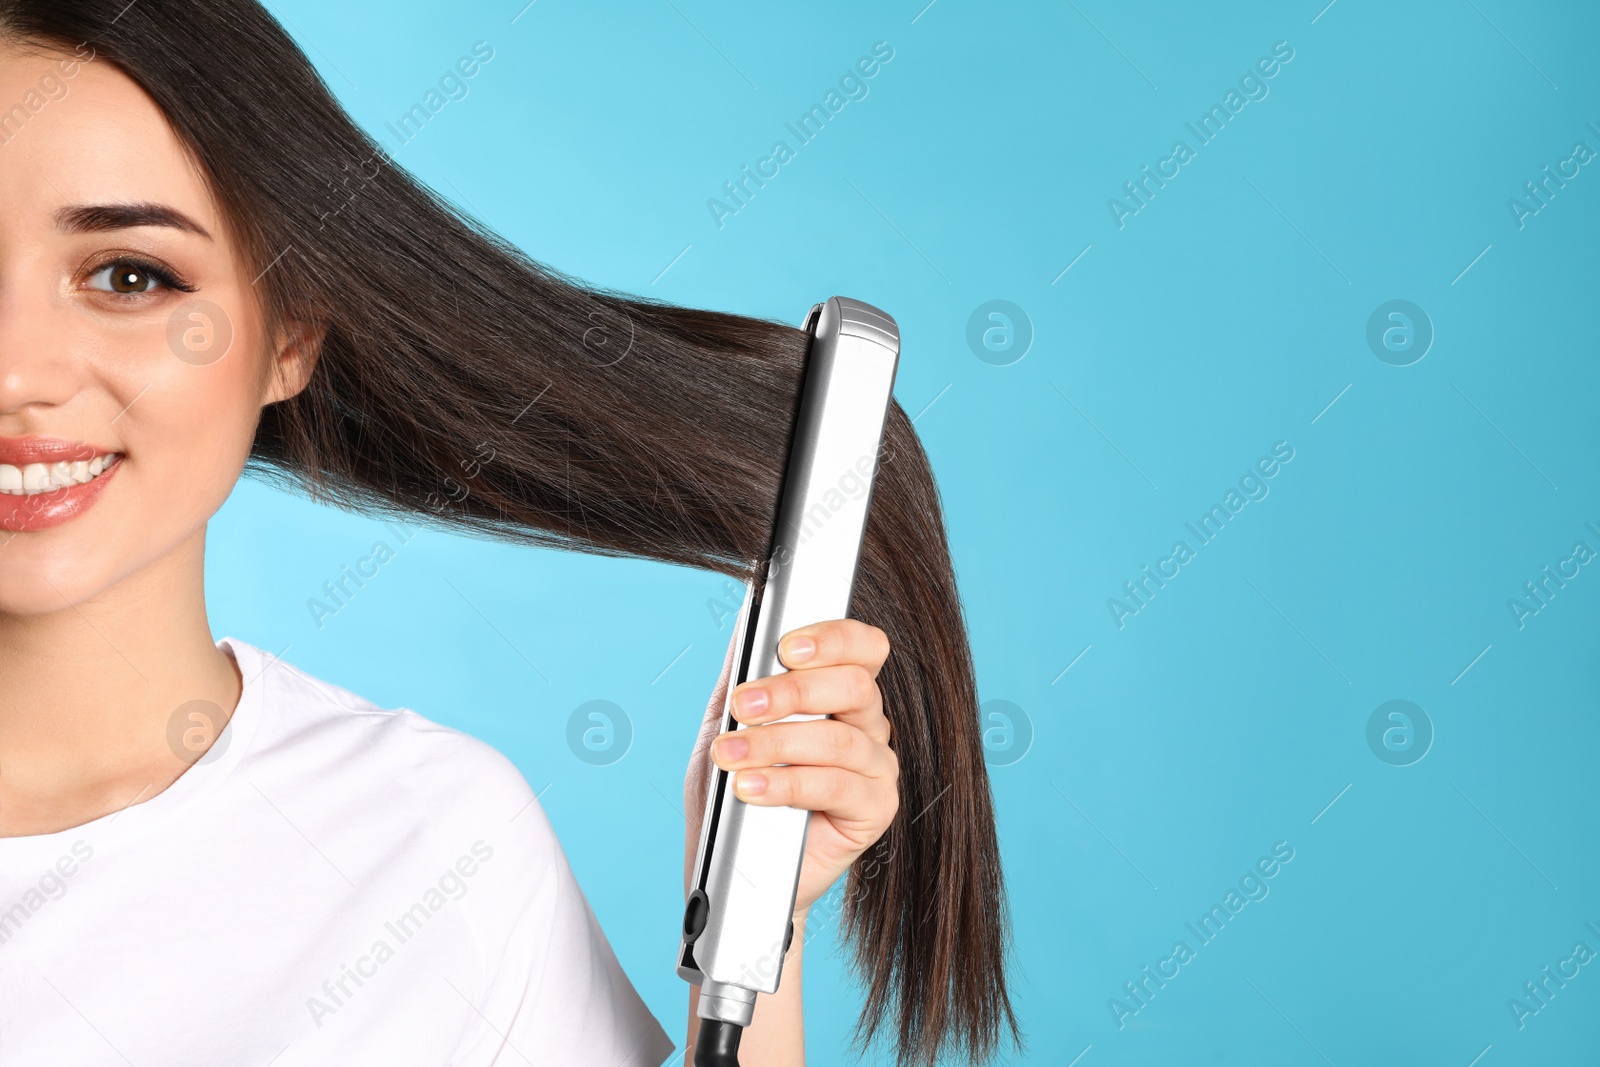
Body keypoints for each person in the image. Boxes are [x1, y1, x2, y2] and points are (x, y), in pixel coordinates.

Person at [0, 3, 1019, 1065]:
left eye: (130, 275)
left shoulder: (428, 843)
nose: (19, 373)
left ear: (289, 331)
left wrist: (756, 938)